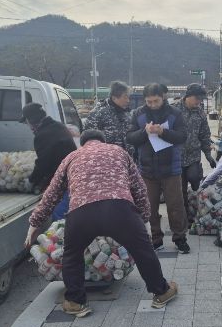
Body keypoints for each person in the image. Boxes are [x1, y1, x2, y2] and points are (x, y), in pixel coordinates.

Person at [24, 130, 178, 317]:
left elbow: (52, 194)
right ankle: (161, 292)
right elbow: (139, 189)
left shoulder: (71, 157)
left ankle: (75, 302)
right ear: (103, 141)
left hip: (81, 213)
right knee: (143, 250)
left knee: (72, 255)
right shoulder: (119, 152)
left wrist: (34, 224)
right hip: (119, 209)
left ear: (83, 144)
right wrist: (144, 219)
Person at [126, 83, 190, 253]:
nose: (153, 104)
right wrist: (144, 132)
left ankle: (180, 238)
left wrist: (163, 132)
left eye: (156, 101)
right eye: (149, 101)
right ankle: (155, 239)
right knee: (149, 207)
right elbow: (130, 137)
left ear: (163, 97)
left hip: (171, 169)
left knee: (175, 206)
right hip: (147, 170)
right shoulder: (138, 114)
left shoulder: (175, 113)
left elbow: (182, 136)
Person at [20, 103, 77, 220]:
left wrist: (31, 181)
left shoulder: (43, 135)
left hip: (63, 179)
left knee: (60, 214)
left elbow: (43, 163)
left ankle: (62, 229)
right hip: (72, 173)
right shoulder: (58, 126)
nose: (28, 126)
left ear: (32, 121)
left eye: (26, 122)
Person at [173, 83, 216, 221]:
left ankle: (195, 207)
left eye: (201, 99)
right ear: (188, 96)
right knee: (180, 190)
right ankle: (184, 216)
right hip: (176, 157)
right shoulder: (173, 110)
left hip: (193, 156)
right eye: (197, 98)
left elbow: (205, 135)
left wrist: (208, 156)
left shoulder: (200, 113)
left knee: (194, 179)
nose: (199, 101)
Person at [83, 81, 134, 156]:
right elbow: (88, 140)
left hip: (126, 158)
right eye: (125, 97)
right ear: (114, 98)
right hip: (106, 159)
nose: (128, 100)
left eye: (128, 97)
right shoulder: (98, 113)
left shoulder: (127, 114)